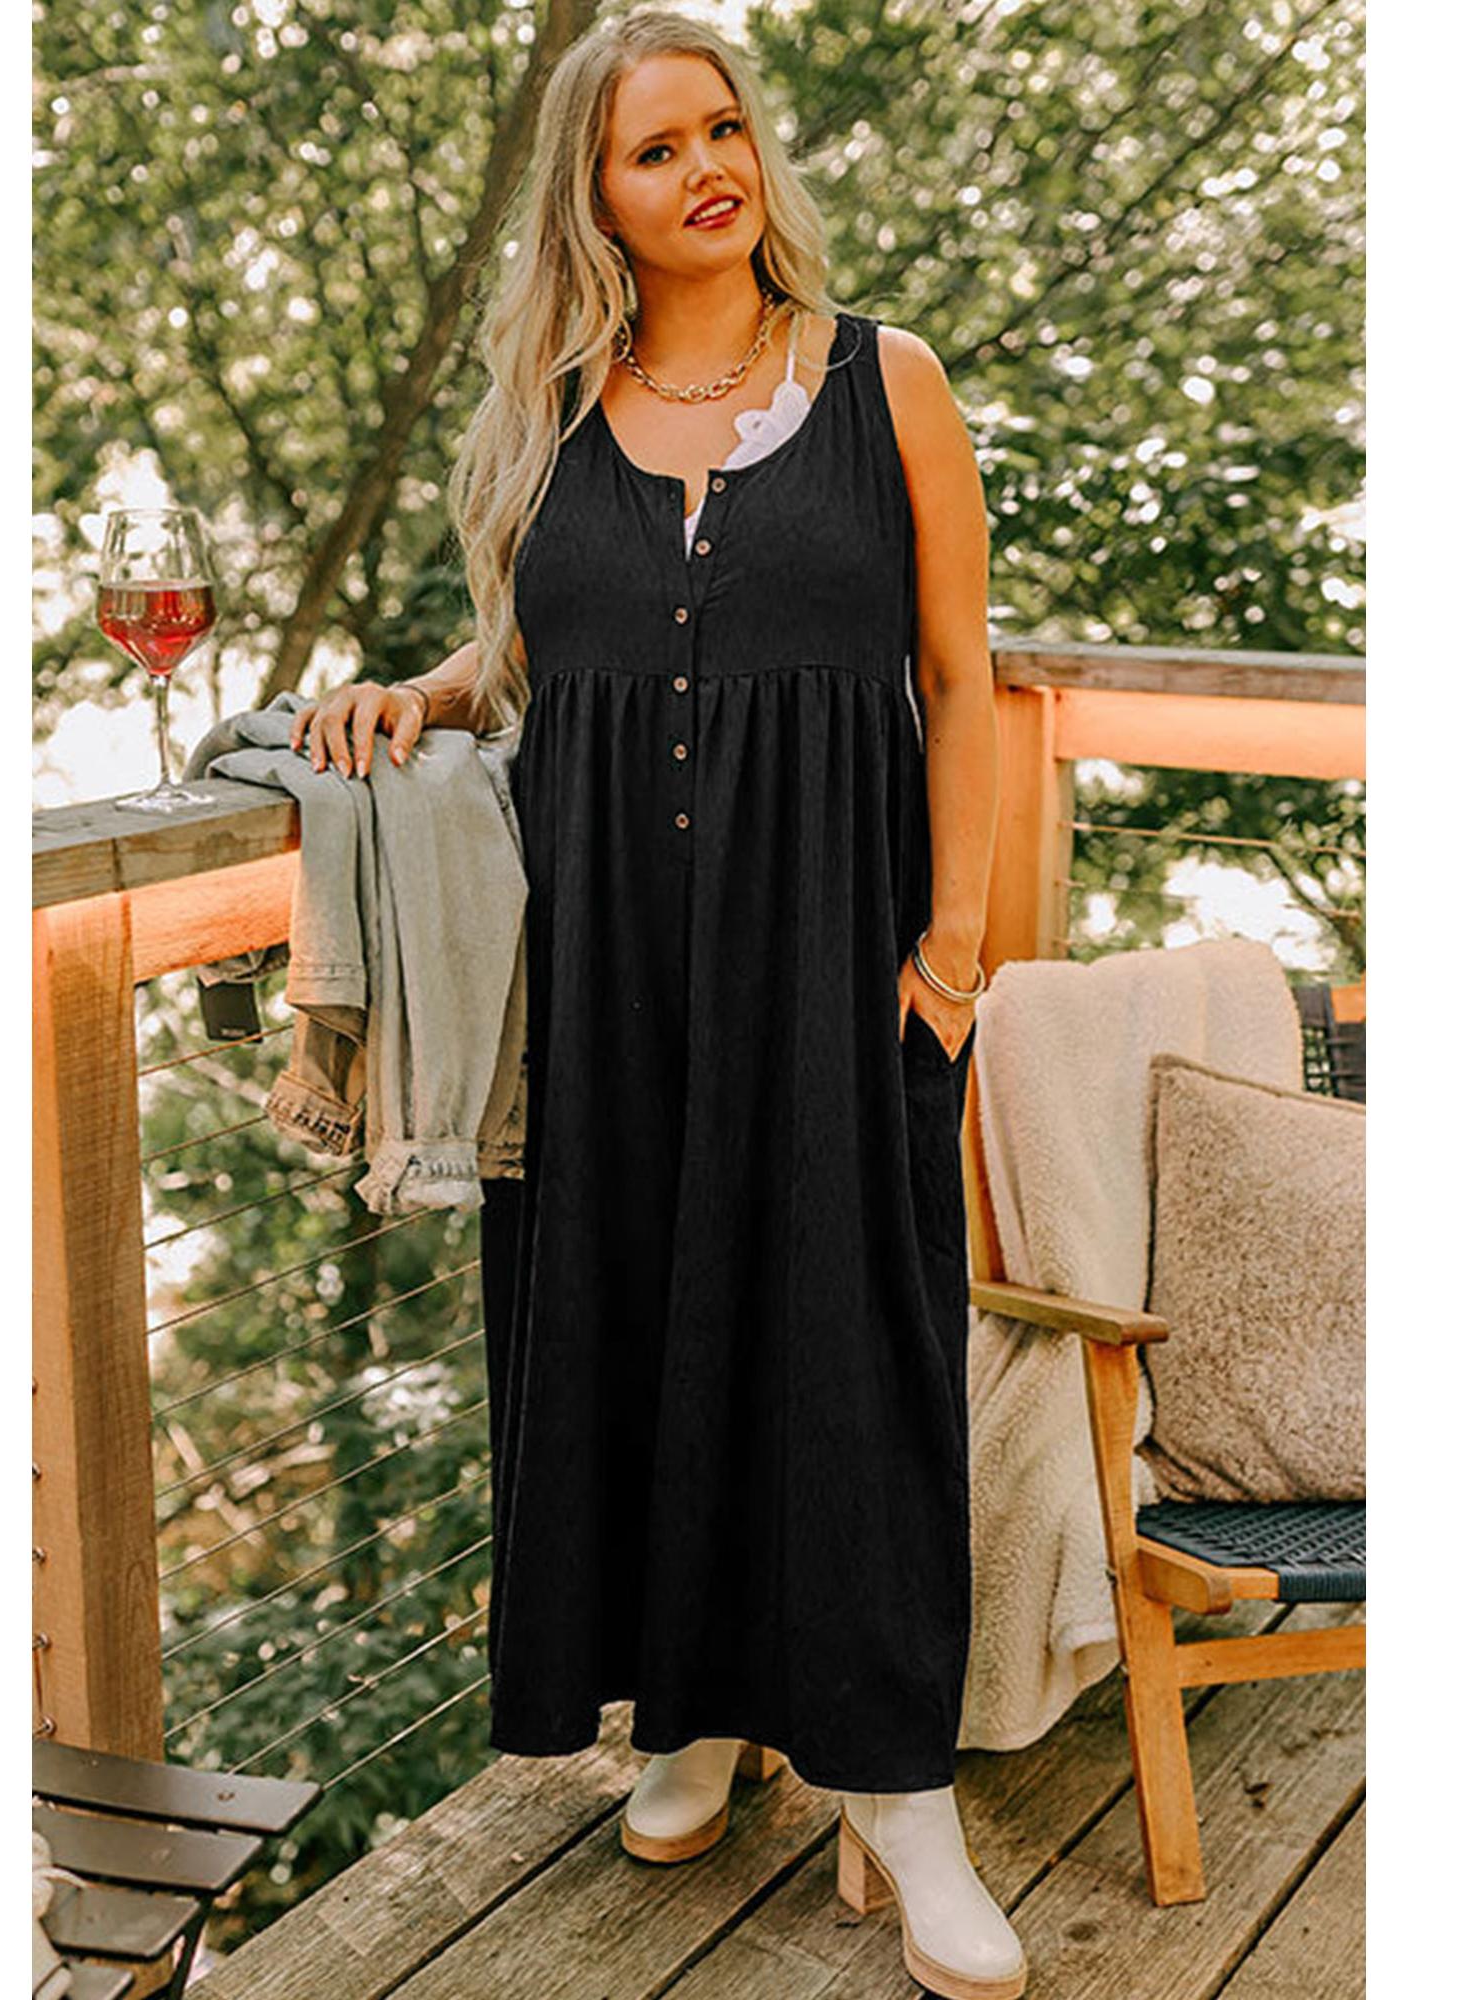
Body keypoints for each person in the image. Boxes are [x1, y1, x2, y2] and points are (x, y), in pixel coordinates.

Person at [292, 11, 1021, 1996]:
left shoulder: (882, 382)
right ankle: (691, 1716)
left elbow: (961, 678)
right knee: (630, 1328)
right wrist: (422, 694)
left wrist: (949, 956)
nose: (703, 168)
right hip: (601, 971)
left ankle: (898, 1789)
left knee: (850, 1352)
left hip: (836, 956)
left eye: (719, 129)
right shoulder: (559, 409)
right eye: (651, 150)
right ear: (592, 200)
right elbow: (547, 648)